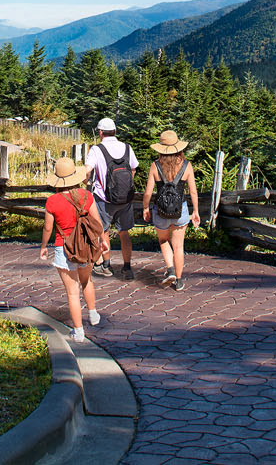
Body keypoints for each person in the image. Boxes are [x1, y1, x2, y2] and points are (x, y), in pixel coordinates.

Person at [39, 156, 103, 341]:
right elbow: (97, 222)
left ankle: (78, 331)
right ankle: (92, 313)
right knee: (87, 280)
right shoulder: (86, 196)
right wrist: (101, 241)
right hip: (85, 246)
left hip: (63, 247)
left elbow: (48, 228)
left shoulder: (52, 201)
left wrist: (44, 246)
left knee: (72, 292)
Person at [142, 129, 200, 291]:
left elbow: (148, 192)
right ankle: (179, 281)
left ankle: (170, 269)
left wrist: (145, 207)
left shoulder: (155, 165)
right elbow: (193, 191)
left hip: (160, 210)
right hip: (180, 210)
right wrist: (195, 211)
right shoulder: (187, 165)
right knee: (179, 246)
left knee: (163, 240)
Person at [85, 117, 139, 280]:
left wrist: (87, 181)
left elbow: (87, 170)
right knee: (124, 232)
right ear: (115, 131)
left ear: (100, 132)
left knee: (104, 231)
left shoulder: (96, 150)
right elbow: (133, 169)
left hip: (104, 199)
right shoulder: (127, 148)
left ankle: (106, 265)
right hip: (125, 199)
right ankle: (127, 267)